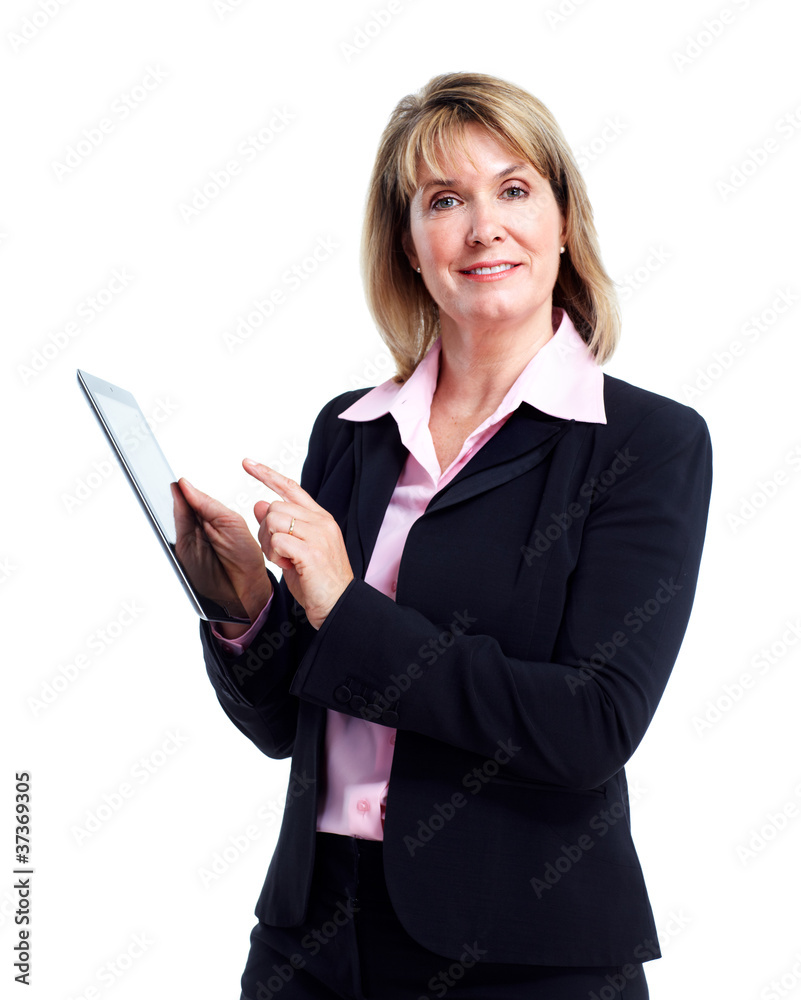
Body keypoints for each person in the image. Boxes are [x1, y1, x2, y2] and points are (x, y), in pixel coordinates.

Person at [178, 71, 713, 1000]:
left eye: (513, 190)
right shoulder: (349, 431)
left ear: (561, 222)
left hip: (522, 955)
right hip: (312, 935)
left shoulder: (646, 445)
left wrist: (345, 606)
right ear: (408, 244)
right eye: (443, 200)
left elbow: (590, 727)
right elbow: (289, 726)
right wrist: (244, 607)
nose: (482, 228)